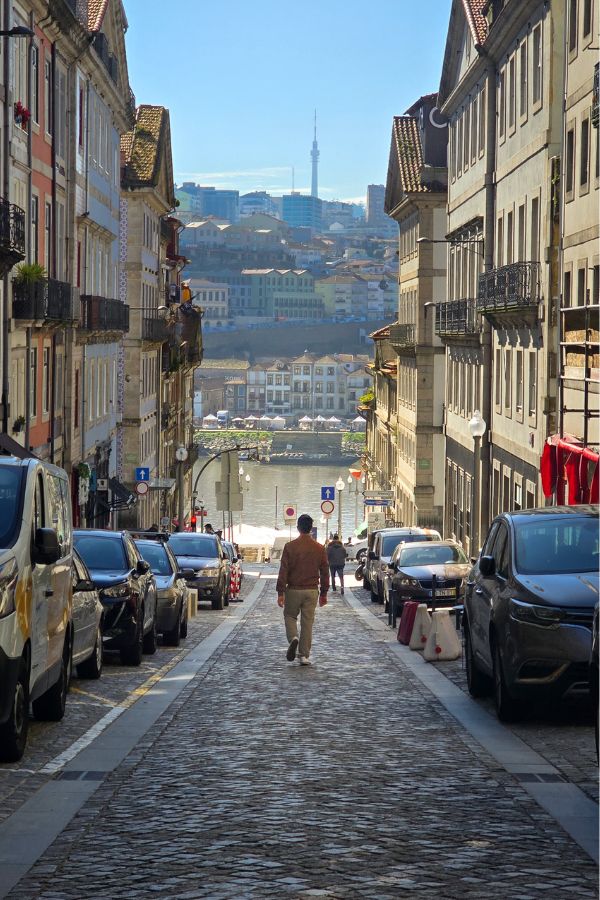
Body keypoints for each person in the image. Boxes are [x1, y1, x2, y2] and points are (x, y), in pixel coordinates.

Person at [276, 514, 329, 666]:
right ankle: (304, 655)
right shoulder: (319, 548)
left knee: (290, 616)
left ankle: (293, 637)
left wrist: (281, 592)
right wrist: (324, 593)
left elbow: (283, 570)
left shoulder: (290, 547)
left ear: (298, 528)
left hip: (293, 589)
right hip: (311, 591)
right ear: (311, 528)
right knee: (307, 623)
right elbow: (325, 571)